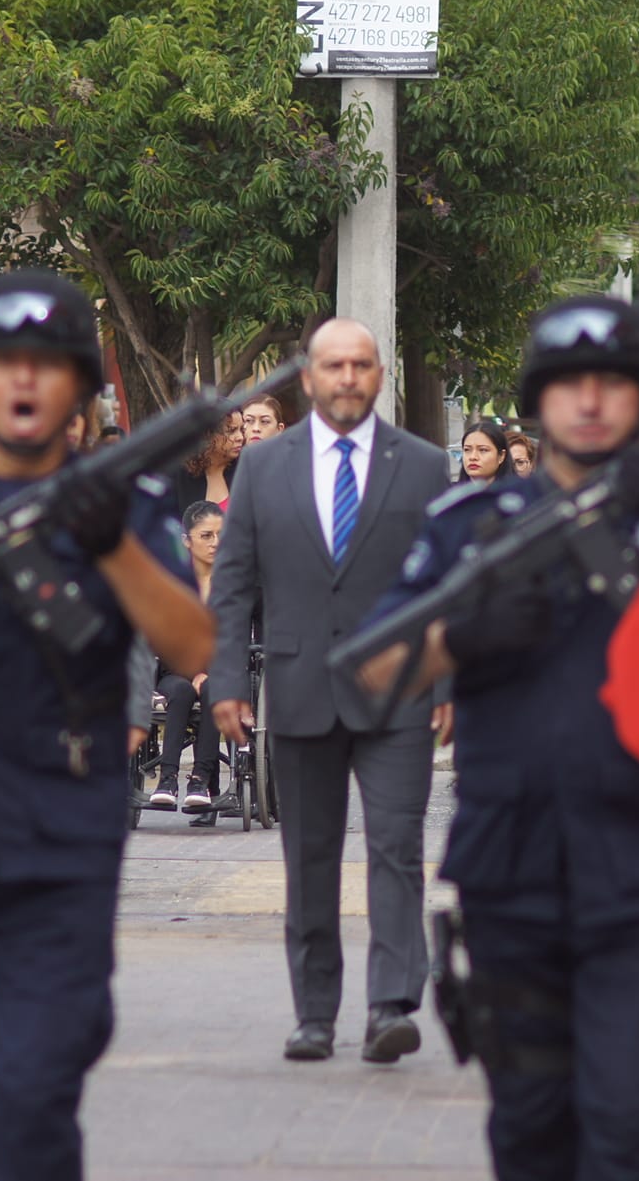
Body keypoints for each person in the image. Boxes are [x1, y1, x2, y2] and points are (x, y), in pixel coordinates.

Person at [356, 294, 639, 1180]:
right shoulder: (470, 524)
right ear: (537, 400)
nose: (589, 401)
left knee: (637, 1128)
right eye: (568, 383)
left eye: (611, 384)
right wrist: (465, 630)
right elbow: (372, 661)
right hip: (513, 866)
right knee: (530, 1130)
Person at [0, 268, 214, 1181]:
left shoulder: (125, 504)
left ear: (79, 388)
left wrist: (112, 546)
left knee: (27, 1107)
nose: (25, 381)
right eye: (3, 363)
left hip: (58, 852)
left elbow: (190, 640)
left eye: (48, 364)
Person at [206, 318, 453, 1064]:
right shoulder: (263, 467)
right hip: (299, 683)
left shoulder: (423, 465)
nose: (348, 376)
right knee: (308, 857)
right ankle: (314, 1012)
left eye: (362, 364)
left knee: (396, 848)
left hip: (400, 691)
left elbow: (444, 583)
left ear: (381, 377)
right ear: (308, 379)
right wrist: (224, 680)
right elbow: (234, 583)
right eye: (333, 365)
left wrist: (448, 681)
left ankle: (390, 1005)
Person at [149, 500, 227, 815]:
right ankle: (167, 779)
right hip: (174, 670)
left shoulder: (234, 585)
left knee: (212, 688)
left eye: (220, 535)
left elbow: (243, 639)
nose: (215, 543)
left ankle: (200, 780)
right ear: (186, 541)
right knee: (180, 690)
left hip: (222, 672)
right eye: (206, 536)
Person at [174, 410, 240, 512]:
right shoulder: (181, 474)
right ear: (207, 434)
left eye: (242, 430)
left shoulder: (246, 468)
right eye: (231, 431)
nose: (240, 437)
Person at [460, 420, 511, 486]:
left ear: (501, 456)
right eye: (467, 450)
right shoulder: (450, 494)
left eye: (483, 450)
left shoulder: (516, 495)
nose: (473, 457)